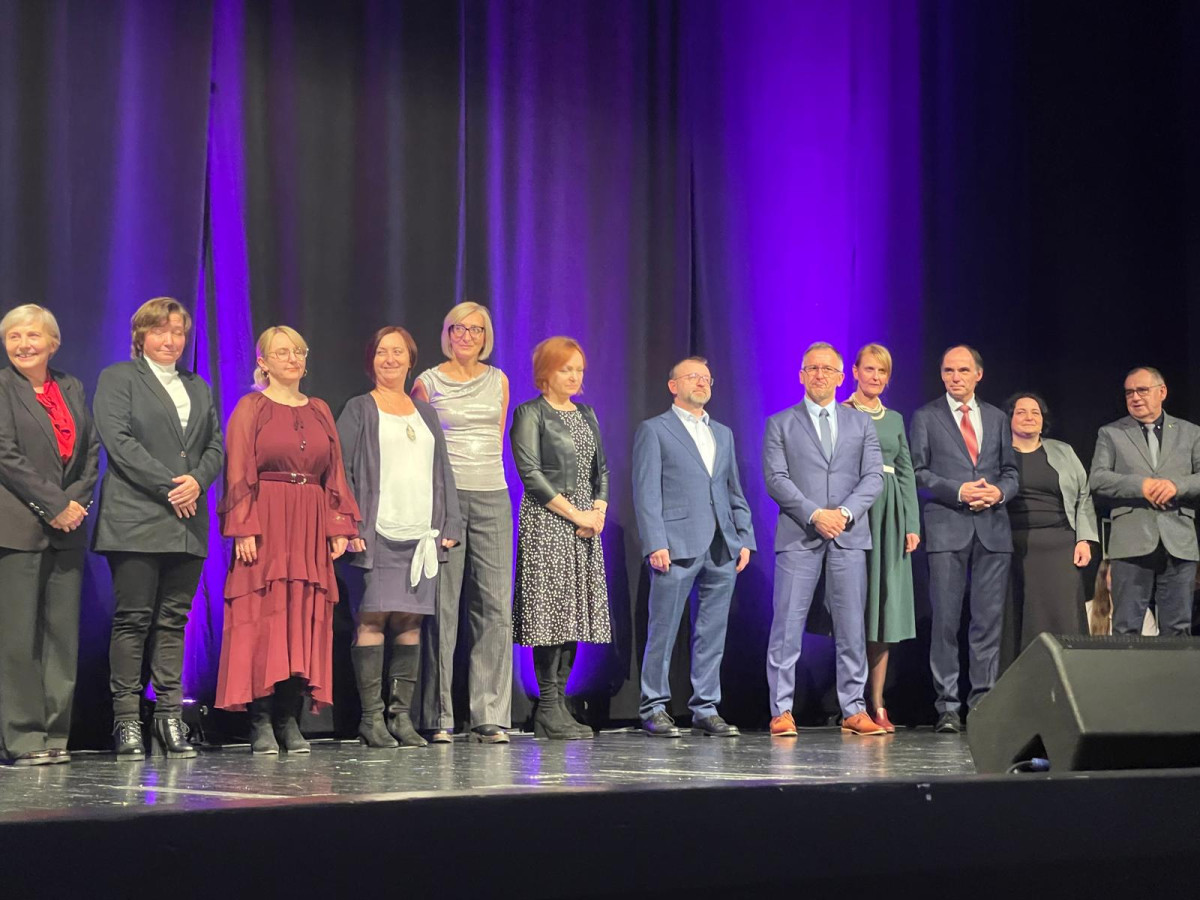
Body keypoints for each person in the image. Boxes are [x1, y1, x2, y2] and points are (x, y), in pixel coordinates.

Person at [215, 326, 361, 753]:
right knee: (266, 615)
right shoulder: (252, 407)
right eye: (282, 352)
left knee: (303, 614)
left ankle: (288, 718)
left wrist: (338, 526)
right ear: (263, 362)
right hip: (267, 519)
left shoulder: (319, 410)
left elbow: (335, 472)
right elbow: (238, 470)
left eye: (299, 351)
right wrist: (243, 525)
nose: (293, 358)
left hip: (309, 522)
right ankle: (260, 719)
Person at [93, 298, 224, 760]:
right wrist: (172, 486)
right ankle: (127, 720)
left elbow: (214, 445)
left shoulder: (198, 386)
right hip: (136, 517)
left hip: (187, 522)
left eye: (178, 332)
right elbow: (119, 442)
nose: (170, 340)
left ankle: (169, 717)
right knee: (133, 620)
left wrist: (198, 482)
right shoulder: (119, 379)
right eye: (160, 331)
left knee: (173, 622)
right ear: (141, 335)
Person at [337, 327, 462, 748]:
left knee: (410, 621)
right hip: (376, 533)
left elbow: (443, 471)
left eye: (398, 352)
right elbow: (341, 472)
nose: (390, 359)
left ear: (411, 359)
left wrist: (451, 523)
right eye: (382, 352)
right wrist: (349, 525)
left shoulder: (425, 413)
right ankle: (371, 718)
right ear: (371, 360)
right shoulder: (358, 409)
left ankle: (400, 716)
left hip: (421, 534)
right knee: (372, 619)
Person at [762, 341, 885, 739]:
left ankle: (854, 708)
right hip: (800, 535)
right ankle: (781, 710)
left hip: (849, 535)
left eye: (827, 369)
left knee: (851, 627)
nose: (820, 375)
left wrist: (844, 513)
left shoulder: (861, 423)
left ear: (840, 377)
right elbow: (776, 479)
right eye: (812, 368)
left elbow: (874, 477)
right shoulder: (780, 423)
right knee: (787, 626)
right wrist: (816, 514)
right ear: (801, 376)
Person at [632, 356, 755, 738]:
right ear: (673, 386)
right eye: (693, 377)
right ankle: (654, 706)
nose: (702, 383)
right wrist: (655, 541)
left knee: (712, 632)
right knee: (663, 629)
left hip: (722, 545)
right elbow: (646, 492)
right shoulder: (655, 430)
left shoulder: (723, 433)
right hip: (676, 545)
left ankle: (705, 707)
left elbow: (733, 489)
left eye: (706, 378)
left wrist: (745, 537)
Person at [0, 304, 99, 766]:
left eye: (33, 336)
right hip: (17, 528)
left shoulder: (72, 387)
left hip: (68, 530)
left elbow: (90, 453)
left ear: (53, 343)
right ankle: (23, 737)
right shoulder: (2, 388)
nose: (23, 344)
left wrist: (73, 505)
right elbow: (6, 456)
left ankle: (56, 733)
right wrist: (54, 505)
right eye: (14, 336)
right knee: (19, 638)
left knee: (61, 637)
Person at [411, 302, 513, 744]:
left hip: (493, 495)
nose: (467, 336)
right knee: (443, 607)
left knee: (495, 607)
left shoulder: (499, 380)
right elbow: (418, 449)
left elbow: (497, 437)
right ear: (447, 333)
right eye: (458, 328)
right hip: (447, 501)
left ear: (486, 336)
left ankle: (490, 713)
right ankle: (438, 715)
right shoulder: (427, 382)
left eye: (476, 329)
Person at [909, 345, 1019, 733]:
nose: (955, 377)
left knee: (987, 623)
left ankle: (982, 703)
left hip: (992, 531)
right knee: (945, 622)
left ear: (978, 374)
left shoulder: (997, 417)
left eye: (962, 370)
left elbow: (1011, 472)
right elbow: (917, 472)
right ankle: (948, 707)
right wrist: (958, 491)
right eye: (948, 371)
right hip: (947, 529)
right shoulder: (926, 417)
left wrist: (999, 492)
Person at [510, 336, 610, 740]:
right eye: (565, 369)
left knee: (574, 615)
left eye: (578, 370)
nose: (573, 376)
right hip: (548, 521)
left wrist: (598, 512)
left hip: (585, 525)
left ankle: (560, 703)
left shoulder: (587, 413)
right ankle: (547, 707)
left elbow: (602, 470)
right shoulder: (530, 413)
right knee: (548, 615)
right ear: (545, 373)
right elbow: (531, 475)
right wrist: (575, 514)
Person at [842, 343, 919, 733]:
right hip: (854, 510)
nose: (875, 377)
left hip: (889, 517)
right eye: (869, 369)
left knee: (884, 610)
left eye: (882, 371)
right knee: (855, 609)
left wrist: (911, 524)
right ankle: (850, 701)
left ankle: (877, 702)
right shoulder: (840, 413)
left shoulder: (895, 419)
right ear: (855, 372)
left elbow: (905, 472)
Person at [1089, 367, 1200, 636]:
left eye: (1142, 390)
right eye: (1129, 392)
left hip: (1178, 539)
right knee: (1126, 626)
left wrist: (1177, 485)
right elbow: (1098, 478)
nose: (1135, 397)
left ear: (1162, 392)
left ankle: (1175, 667)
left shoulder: (1190, 432)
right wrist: (1141, 485)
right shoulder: (1111, 433)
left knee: (1178, 628)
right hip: (1131, 540)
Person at [1003, 392, 1096, 661]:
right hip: (1014, 547)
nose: (1029, 417)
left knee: (1063, 615)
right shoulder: (997, 453)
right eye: (1021, 412)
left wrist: (1084, 539)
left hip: (1060, 545)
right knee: (1020, 616)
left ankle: (1067, 673)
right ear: (1009, 418)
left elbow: (1083, 495)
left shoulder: (1063, 451)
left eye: (1035, 412)